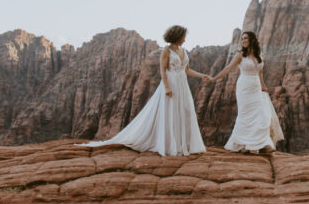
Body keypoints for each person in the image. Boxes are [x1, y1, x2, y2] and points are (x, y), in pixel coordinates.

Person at [76, 25, 209, 156]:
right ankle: (170, 145)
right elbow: (162, 70)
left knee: (184, 112)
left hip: (183, 85)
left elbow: (187, 70)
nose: (185, 39)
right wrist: (167, 87)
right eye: (183, 37)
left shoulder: (183, 51)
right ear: (177, 36)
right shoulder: (167, 51)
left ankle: (183, 144)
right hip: (172, 83)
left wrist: (202, 75)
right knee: (171, 113)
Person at [211, 30, 283, 153]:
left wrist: (263, 86)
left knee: (262, 114)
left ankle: (262, 143)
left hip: (255, 87)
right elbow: (228, 68)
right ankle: (243, 144)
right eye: (242, 38)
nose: (243, 40)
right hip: (244, 87)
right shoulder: (240, 55)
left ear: (252, 40)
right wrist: (214, 78)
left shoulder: (260, 55)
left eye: (246, 38)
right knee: (245, 116)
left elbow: (260, 73)